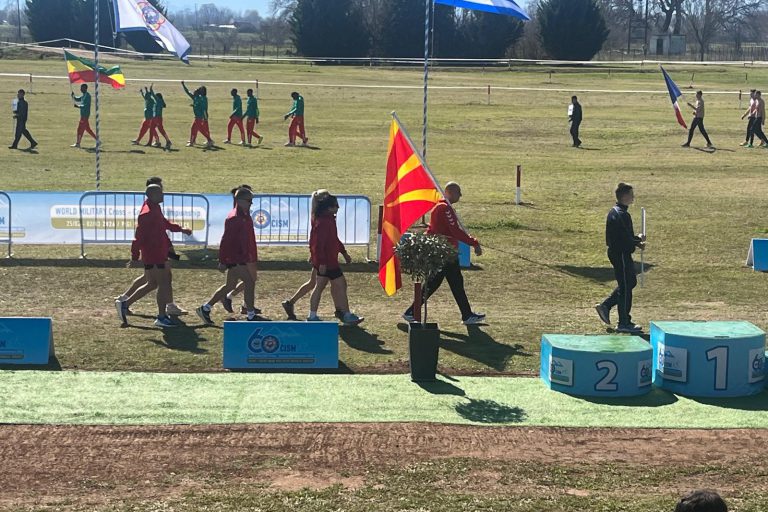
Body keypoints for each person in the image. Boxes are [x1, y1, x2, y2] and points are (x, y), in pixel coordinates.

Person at [402, 182, 485, 325]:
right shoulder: (444, 208)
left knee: (451, 283)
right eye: (458, 192)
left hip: (445, 251)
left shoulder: (444, 207)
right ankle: (411, 312)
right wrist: (473, 242)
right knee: (438, 284)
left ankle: (466, 315)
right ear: (450, 192)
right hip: (444, 253)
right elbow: (455, 231)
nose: (460, 195)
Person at [116, 184, 192, 328]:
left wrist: (181, 229)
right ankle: (161, 317)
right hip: (154, 254)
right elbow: (138, 237)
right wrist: (134, 257)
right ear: (152, 195)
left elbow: (164, 224)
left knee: (154, 283)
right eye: (160, 193)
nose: (163, 195)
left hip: (159, 251)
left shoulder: (155, 208)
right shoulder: (147, 213)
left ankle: (125, 304)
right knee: (162, 283)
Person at [196, 187, 261, 325]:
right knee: (249, 282)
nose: (251, 203)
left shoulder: (244, 215)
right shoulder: (234, 218)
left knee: (230, 285)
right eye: (249, 201)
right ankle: (250, 314)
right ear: (240, 200)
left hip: (240, 257)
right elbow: (226, 241)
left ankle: (205, 308)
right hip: (235, 258)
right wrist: (222, 260)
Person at [595, 183, 646, 333]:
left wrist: (636, 242)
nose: (633, 197)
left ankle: (606, 305)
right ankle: (624, 322)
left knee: (629, 282)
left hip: (618, 252)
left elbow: (624, 236)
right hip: (620, 254)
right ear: (624, 196)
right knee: (625, 286)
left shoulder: (616, 212)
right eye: (631, 195)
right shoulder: (622, 214)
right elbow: (626, 238)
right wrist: (638, 240)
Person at [307, 193, 363, 325]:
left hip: (329, 261)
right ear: (328, 207)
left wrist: (344, 252)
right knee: (337, 285)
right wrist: (322, 262)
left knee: (326, 286)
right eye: (335, 206)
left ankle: (316, 315)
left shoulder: (328, 219)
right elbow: (318, 244)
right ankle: (345, 314)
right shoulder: (323, 222)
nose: (338, 208)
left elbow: (334, 240)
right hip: (328, 262)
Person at [281, 189, 329, 321]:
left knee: (312, 282)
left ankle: (290, 302)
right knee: (319, 284)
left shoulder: (316, 215)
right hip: (321, 256)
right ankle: (311, 313)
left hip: (317, 254)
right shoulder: (320, 217)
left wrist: (313, 253)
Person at [181, 81, 213, 148]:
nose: (193, 92)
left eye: (195, 92)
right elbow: (187, 92)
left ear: (197, 93)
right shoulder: (195, 97)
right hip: (197, 117)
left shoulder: (201, 99)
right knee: (194, 128)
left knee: (201, 130)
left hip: (200, 117)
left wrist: (205, 117)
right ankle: (193, 141)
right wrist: (183, 85)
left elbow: (202, 108)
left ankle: (208, 140)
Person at [71, 84, 97, 148]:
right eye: (81, 88)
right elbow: (78, 99)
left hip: (85, 116)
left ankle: (78, 143)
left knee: (80, 129)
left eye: (82, 88)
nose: (81, 89)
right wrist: (73, 96)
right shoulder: (84, 95)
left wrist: (78, 106)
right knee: (87, 129)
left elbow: (85, 106)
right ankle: (98, 141)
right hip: (83, 116)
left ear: (85, 88)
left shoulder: (88, 96)